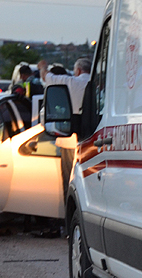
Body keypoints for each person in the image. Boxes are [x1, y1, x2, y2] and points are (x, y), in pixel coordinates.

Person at [40, 57, 92, 200]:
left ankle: (69, 215)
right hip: (94, 138)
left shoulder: (71, 82)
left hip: (69, 139)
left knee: (69, 180)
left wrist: (43, 67)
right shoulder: (99, 84)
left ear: (78, 70)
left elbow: (46, 77)